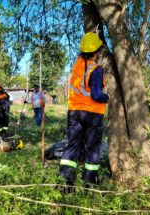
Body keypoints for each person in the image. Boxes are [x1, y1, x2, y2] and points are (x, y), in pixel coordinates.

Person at [58, 32, 109, 189]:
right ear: (96, 51)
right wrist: (106, 97)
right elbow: (96, 95)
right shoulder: (96, 70)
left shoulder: (76, 66)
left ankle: (65, 183)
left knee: (72, 146)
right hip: (92, 113)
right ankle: (90, 183)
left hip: (74, 112)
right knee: (92, 149)